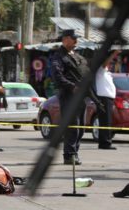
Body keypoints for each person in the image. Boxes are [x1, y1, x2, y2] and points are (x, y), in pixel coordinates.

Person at [51, 29, 87, 165]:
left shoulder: (77, 57)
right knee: (73, 126)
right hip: (68, 95)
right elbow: (57, 77)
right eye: (73, 38)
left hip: (81, 96)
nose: (76, 40)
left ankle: (75, 152)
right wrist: (72, 87)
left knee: (81, 128)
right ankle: (69, 155)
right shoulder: (58, 57)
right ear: (65, 39)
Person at [95, 50, 121, 150]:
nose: (111, 65)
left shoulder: (107, 73)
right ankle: (105, 143)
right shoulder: (100, 71)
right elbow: (105, 63)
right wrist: (113, 54)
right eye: (110, 63)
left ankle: (105, 142)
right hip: (103, 98)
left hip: (108, 99)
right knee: (105, 121)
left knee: (107, 121)